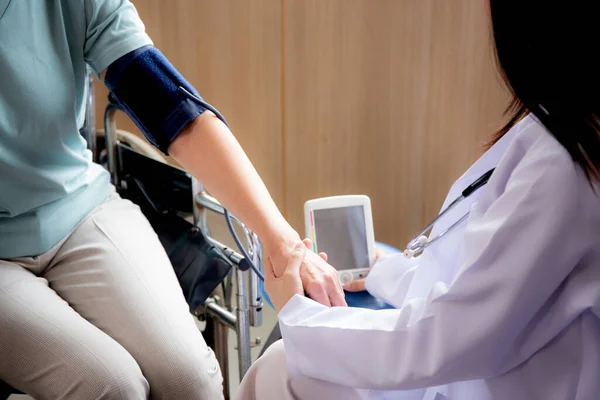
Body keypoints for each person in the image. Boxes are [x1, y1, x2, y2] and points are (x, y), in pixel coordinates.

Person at [236, 1, 600, 399]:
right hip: (470, 369)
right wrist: (381, 271)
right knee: (283, 365)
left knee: (281, 367)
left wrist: (296, 312)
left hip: (472, 375)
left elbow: (449, 337)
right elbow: (489, 282)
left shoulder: (565, 165)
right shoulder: (560, 128)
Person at [0, 1, 345, 399]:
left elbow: (169, 107)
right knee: (111, 387)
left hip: (79, 207)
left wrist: (281, 241)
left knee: (192, 380)